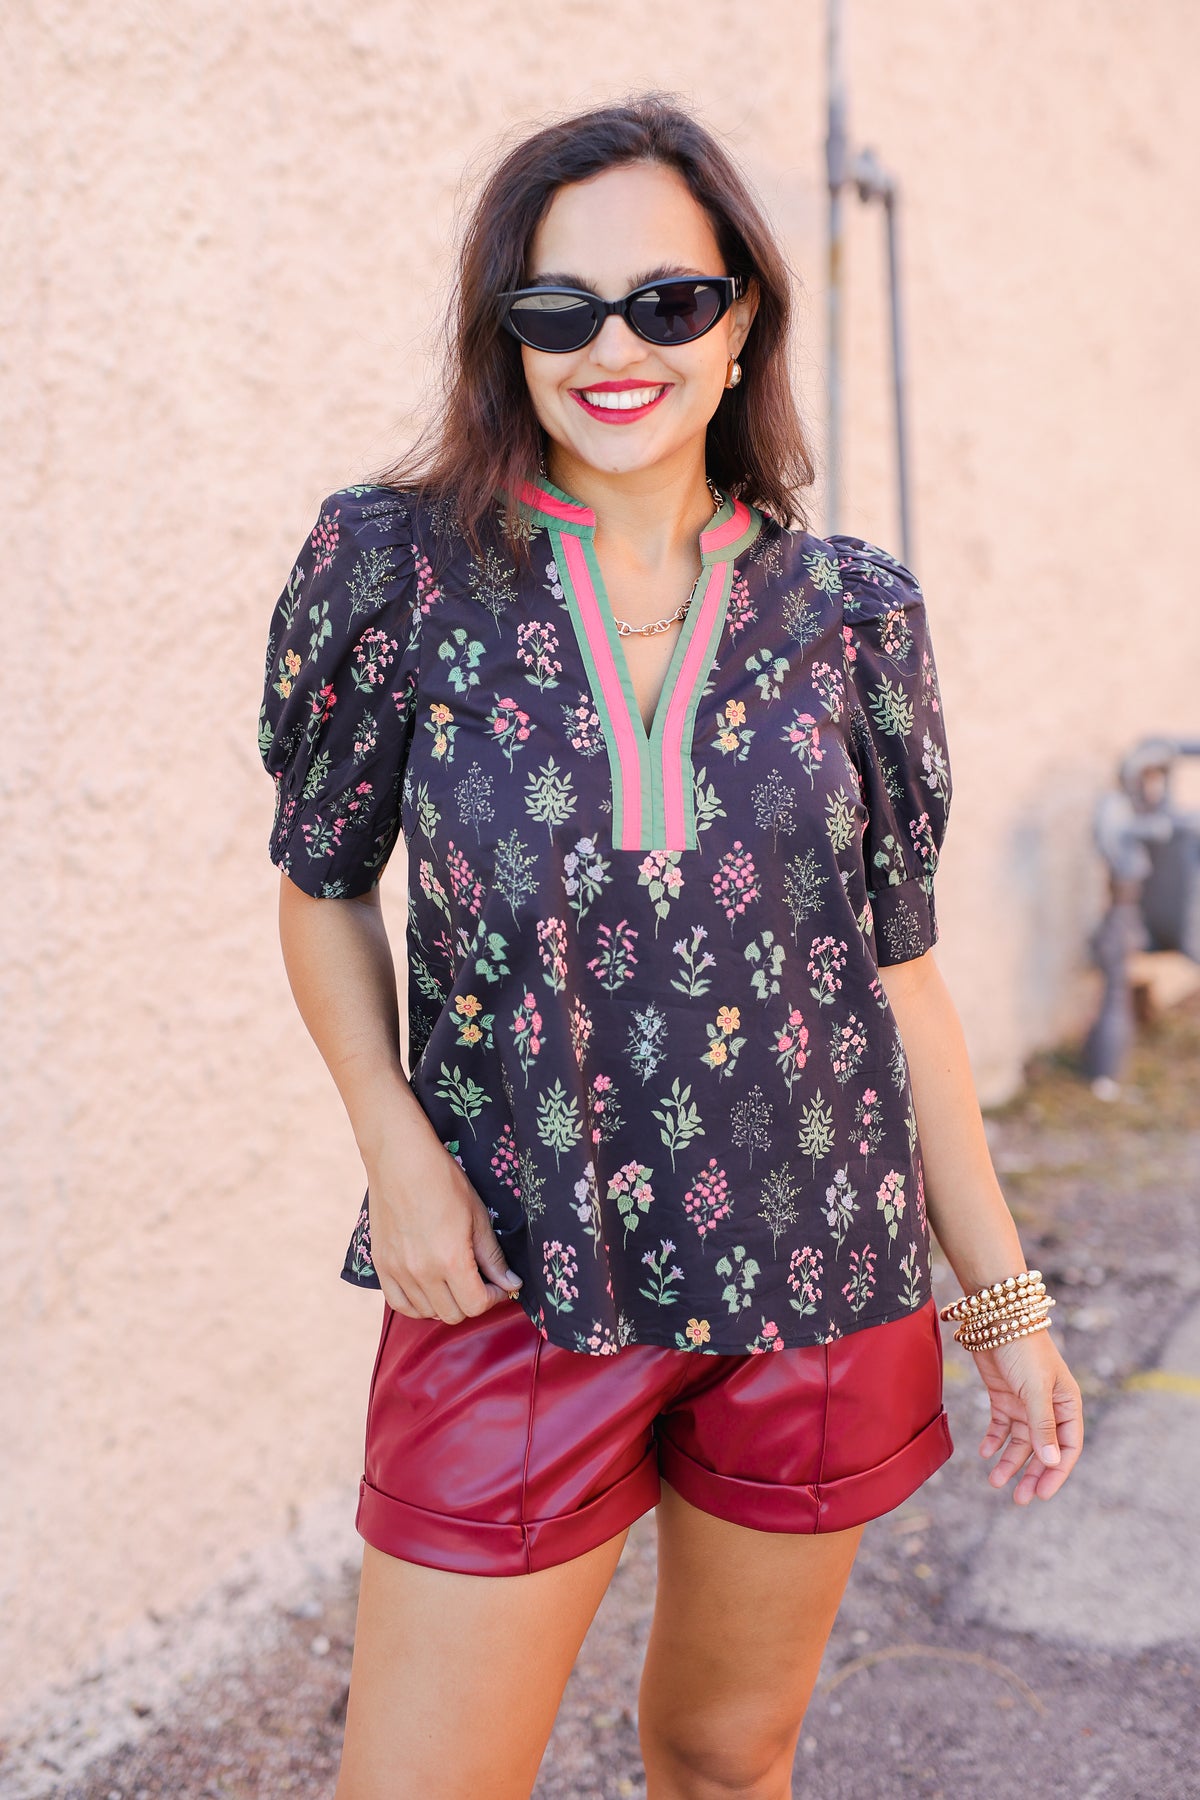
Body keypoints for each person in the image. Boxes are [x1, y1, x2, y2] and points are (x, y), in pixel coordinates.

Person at [259, 92, 1084, 1800]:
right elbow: (322, 883)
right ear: (507, 336)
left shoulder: (852, 617)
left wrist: (999, 1297)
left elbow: (896, 977)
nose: (613, 347)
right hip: (516, 1274)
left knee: (724, 1754)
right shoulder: (398, 576)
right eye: (558, 309)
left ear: (741, 322)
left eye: (667, 300)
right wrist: (395, 1151)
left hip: (823, 1281)